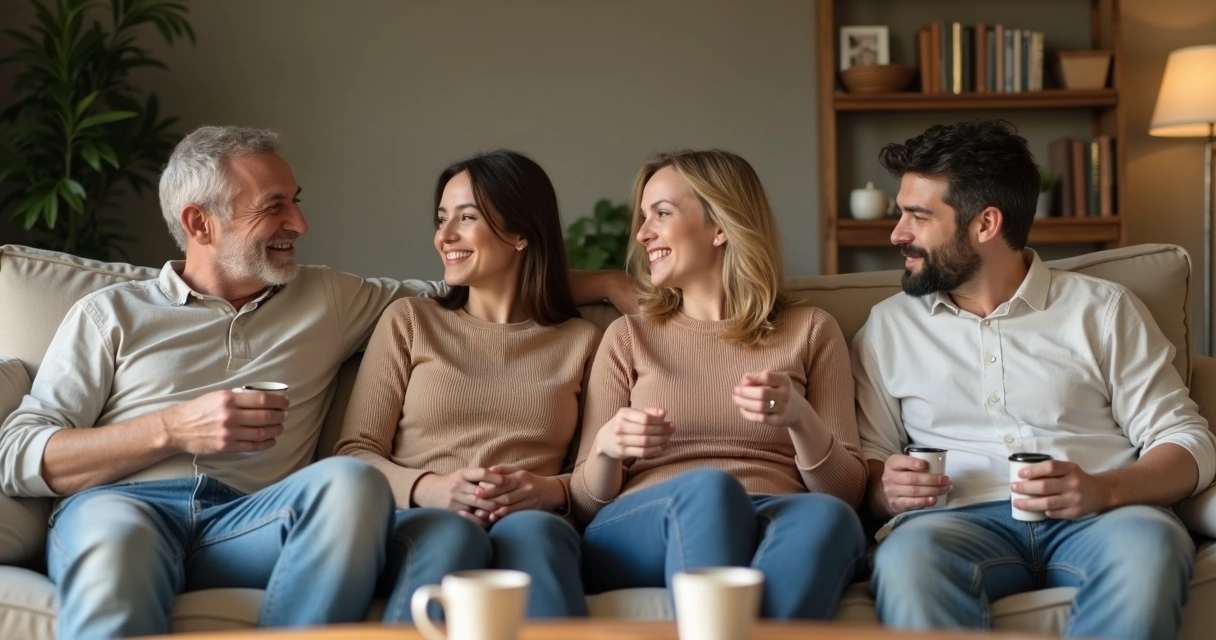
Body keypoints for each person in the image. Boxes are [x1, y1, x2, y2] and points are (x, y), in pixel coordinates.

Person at [0, 126, 634, 639]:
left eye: (295, 201)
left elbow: (475, 292)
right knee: (118, 542)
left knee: (350, 480)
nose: (299, 224)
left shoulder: (329, 298)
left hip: (253, 521)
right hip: (123, 507)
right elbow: (18, 454)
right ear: (199, 223)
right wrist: (172, 427)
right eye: (274, 207)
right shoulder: (110, 313)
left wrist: (604, 283)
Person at [855, 120, 1216, 639]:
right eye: (900, 215)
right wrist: (885, 488)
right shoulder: (888, 327)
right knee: (908, 560)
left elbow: (1187, 442)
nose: (897, 234)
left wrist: (1104, 490)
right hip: (953, 524)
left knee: (1150, 545)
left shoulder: (1102, 310)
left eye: (918, 216)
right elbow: (866, 460)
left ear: (986, 224)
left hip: (1106, 520)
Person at [570, 149, 868, 619]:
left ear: (721, 227)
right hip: (649, 521)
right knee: (710, 490)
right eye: (643, 217)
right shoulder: (628, 337)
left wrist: (800, 418)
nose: (642, 233)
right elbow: (586, 504)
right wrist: (607, 447)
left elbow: (845, 494)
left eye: (661, 214)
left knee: (831, 518)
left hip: (772, 514)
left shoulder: (811, 330)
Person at [335, 150, 599, 621]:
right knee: (452, 533)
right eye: (441, 219)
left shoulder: (582, 340)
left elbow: (594, 472)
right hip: (420, 521)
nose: (444, 236)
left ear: (521, 233)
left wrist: (547, 490)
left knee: (539, 535)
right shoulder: (411, 321)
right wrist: (430, 488)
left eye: (467, 217)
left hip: (530, 521)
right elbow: (354, 452)